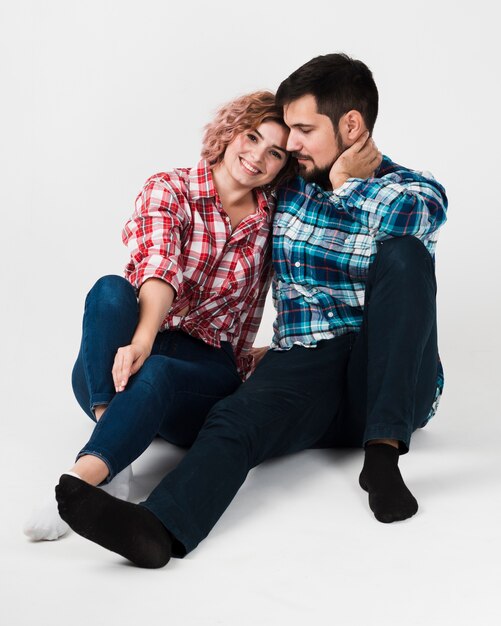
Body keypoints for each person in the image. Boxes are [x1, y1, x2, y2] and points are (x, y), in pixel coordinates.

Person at [54, 53, 448, 569]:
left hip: (387, 377)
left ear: (351, 125)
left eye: (304, 129)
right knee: (233, 419)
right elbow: (223, 193)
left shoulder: (409, 187)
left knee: (405, 254)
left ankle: (382, 456)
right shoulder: (289, 186)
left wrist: (348, 183)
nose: (293, 145)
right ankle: (159, 526)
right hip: (304, 365)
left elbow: (419, 215)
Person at [23, 91, 295, 541]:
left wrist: (269, 356)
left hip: (204, 373)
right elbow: (157, 264)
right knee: (110, 290)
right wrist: (143, 339)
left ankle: (77, 484)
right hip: (125, 360)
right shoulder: (171, 187)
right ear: (230, 133)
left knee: (162, 371)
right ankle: (119, 455)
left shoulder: (271, 221)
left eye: (275, 152)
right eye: (251, 137)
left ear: (283, 166)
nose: (257, 156)